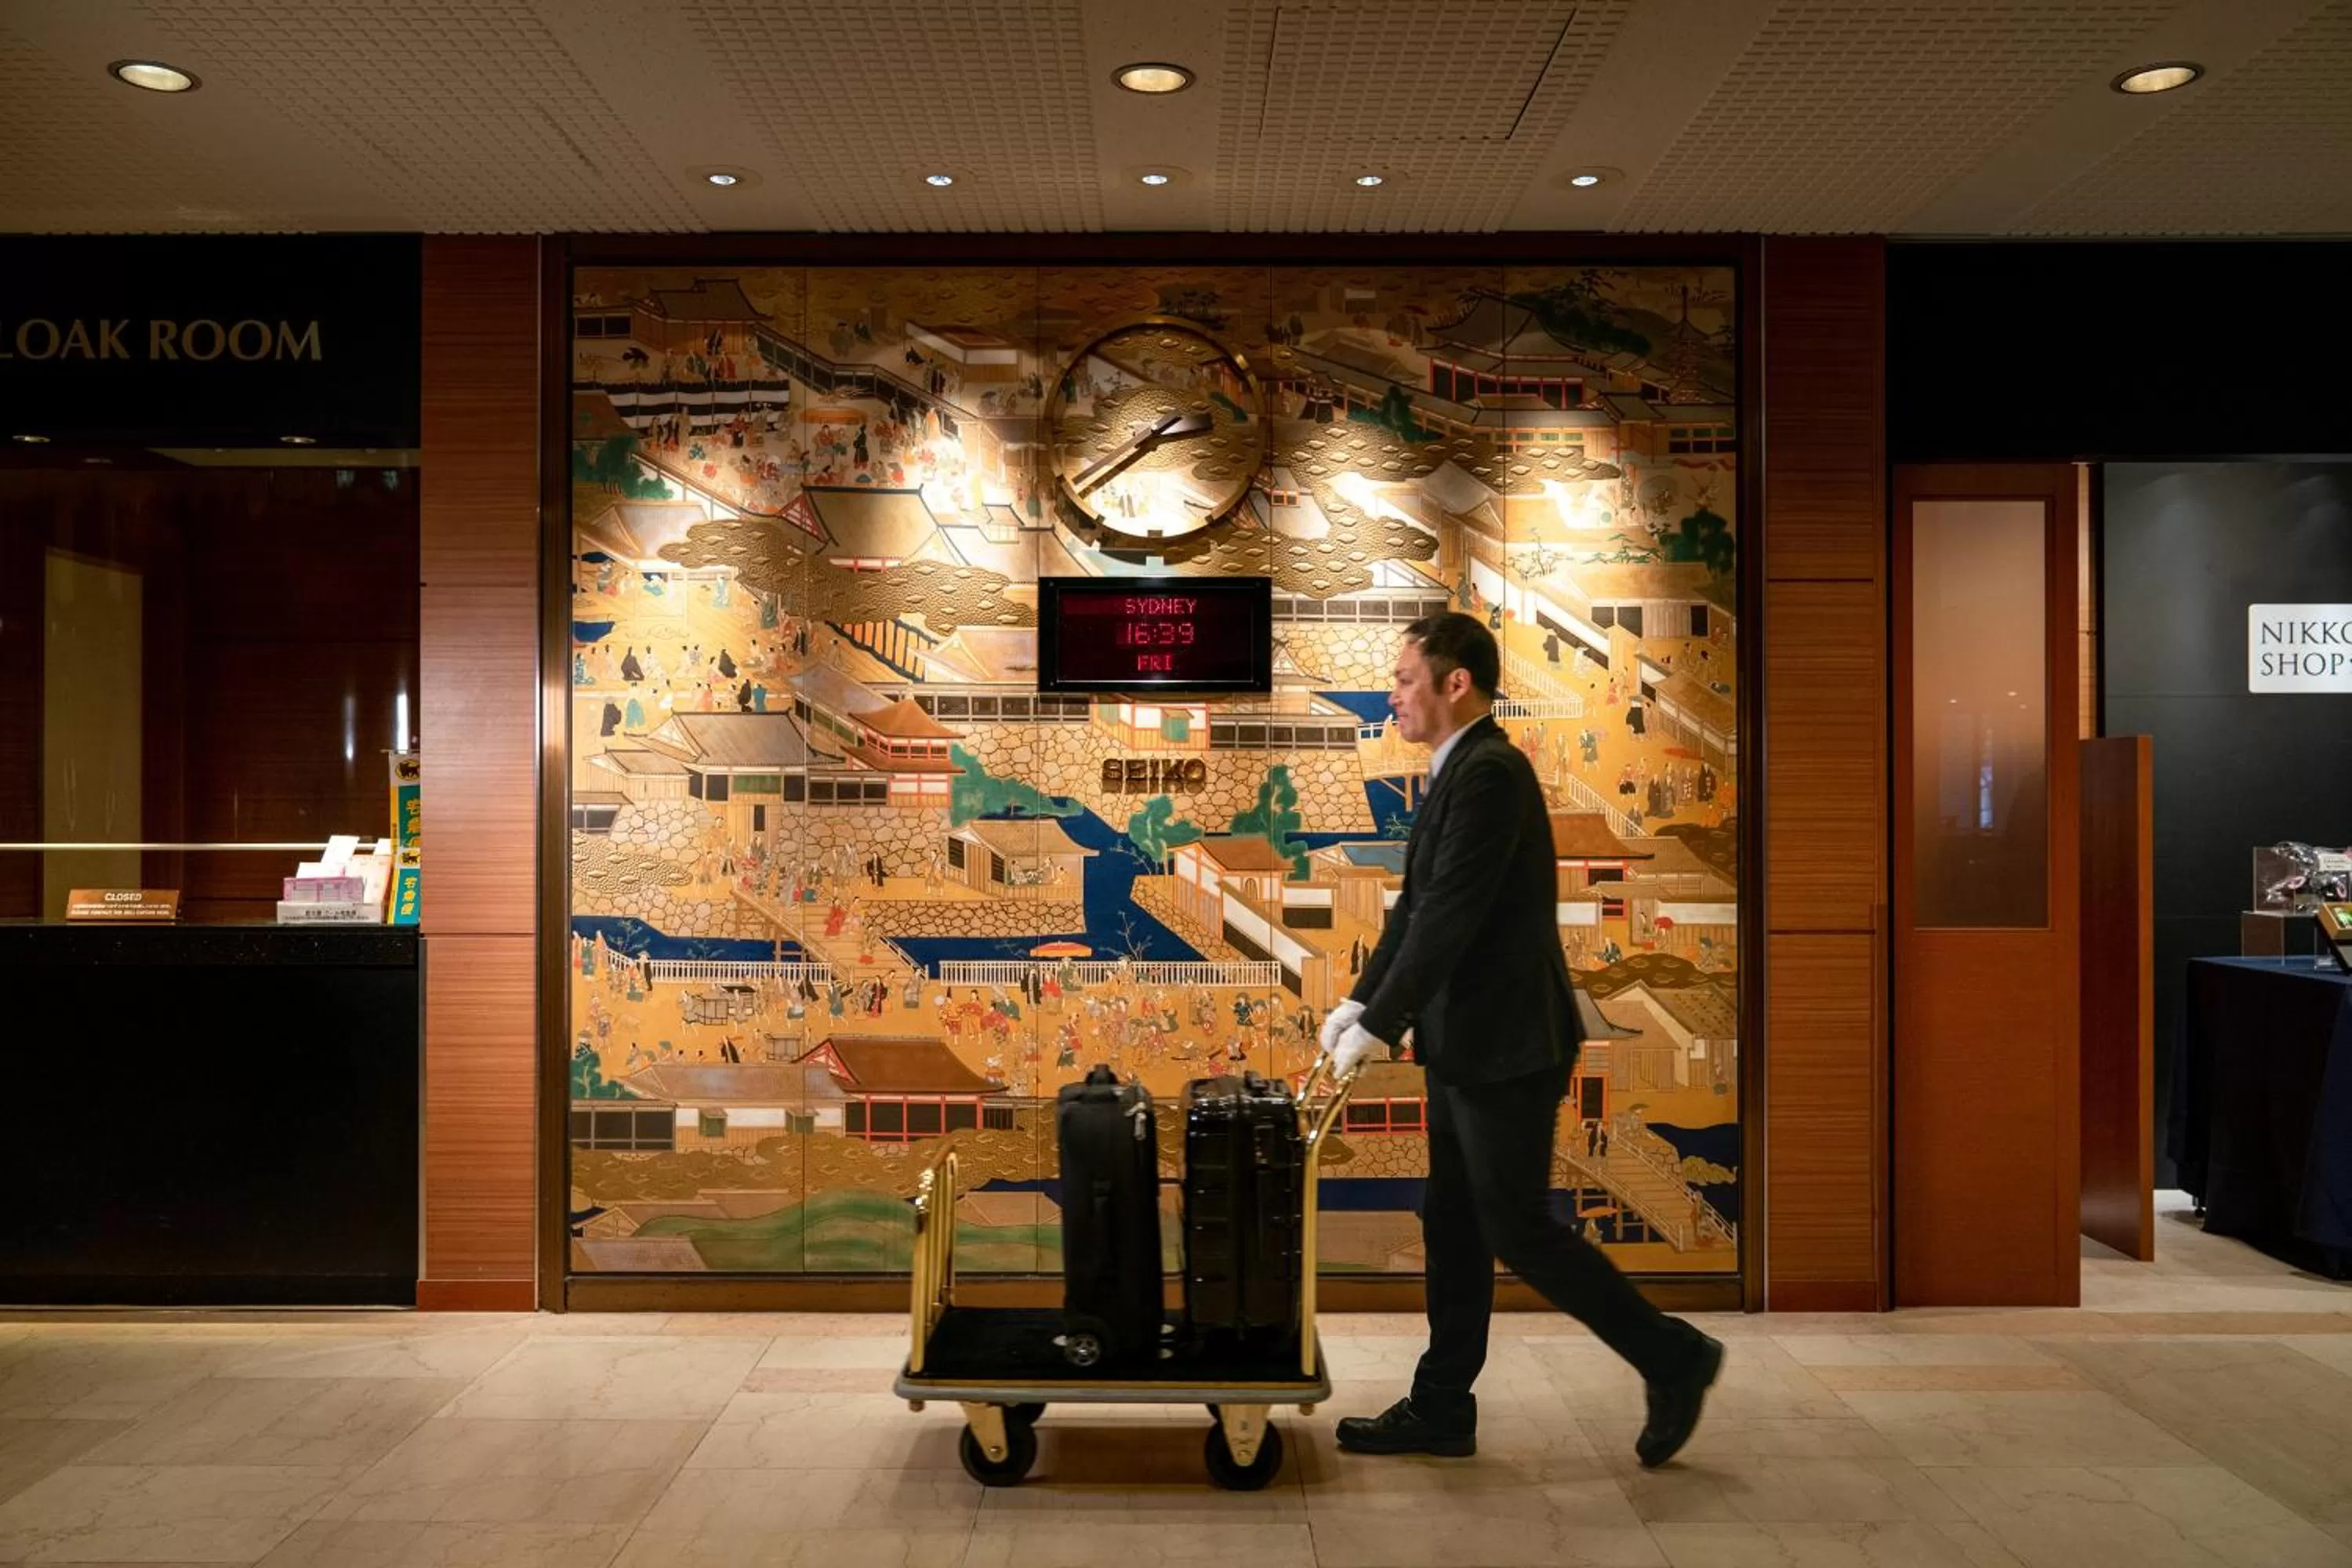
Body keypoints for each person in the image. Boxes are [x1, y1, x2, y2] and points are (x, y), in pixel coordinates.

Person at [1318, 611, 1721, 1468]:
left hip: (1507, 1046)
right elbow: (1415, 912)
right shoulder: (1456, 772)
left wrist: (1382, 1022)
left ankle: (1672, 1354)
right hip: (1468, 1044)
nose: (1392, 695)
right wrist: (1359, 1003)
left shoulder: (1492, 774)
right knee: (1454, 1222)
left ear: (1453, 681)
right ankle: (1441, 1405)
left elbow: (1452, 918)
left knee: (1516, 1227)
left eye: (1403, 679)